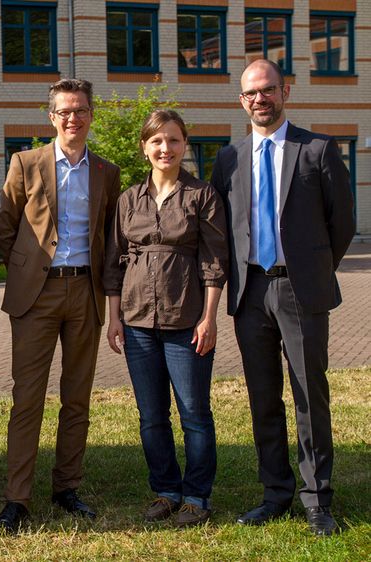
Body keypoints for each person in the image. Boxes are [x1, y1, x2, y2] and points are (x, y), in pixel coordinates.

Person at [210, 59, 355, 536]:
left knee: (309, 395)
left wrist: (310, 271)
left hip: (299, 289)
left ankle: (317, 499)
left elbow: (343, 224)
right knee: (263, 397)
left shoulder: (317, 149)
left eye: (268, 89)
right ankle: (275, 492)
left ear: (285, 91)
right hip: (250, 292)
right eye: (251, 93)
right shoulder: (228, 158)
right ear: (241, 101)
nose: (260, 99)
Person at [0, 78, 121, 535]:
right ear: (51, 118)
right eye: (64, 111)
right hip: (36, 297)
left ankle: (67, 488)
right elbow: (7, 225)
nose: (72, 118)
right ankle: (17, 500)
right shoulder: (26, 162)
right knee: (27, 399)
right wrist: (25, 273)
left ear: (90, 115)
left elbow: (107, 231)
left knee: (77, 398)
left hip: (85, 292)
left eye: (80, 109)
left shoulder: (107, 171)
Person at [104, 109, 228, 527]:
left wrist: (208, 317)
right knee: (151, 414)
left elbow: (214, 260)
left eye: (173, 140)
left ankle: (196, 496)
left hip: (186, 321)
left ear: (184, 145)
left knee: (194, 412)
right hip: (137, 322)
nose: (165, 148)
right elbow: (114, 262)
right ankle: (166, 490)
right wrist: (114, 317)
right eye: (157, 141)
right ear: (145, 147)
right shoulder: (128, 199)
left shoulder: (202, 196)